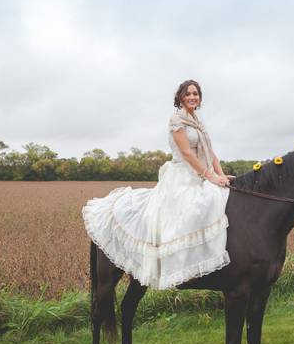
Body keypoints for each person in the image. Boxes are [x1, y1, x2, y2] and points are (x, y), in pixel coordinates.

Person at [82, 80, 232, 290]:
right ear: (180, 97)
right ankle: (179, 267)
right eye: (188, 94)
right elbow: (188, 154)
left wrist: (221, 175)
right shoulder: (176, 120)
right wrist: (210, 176)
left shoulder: (197, 120)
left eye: (195, 94)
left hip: (202, 173)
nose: (192, 97)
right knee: (193, 210)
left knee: (217, 200)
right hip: (183, 175)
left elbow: (210, 151)